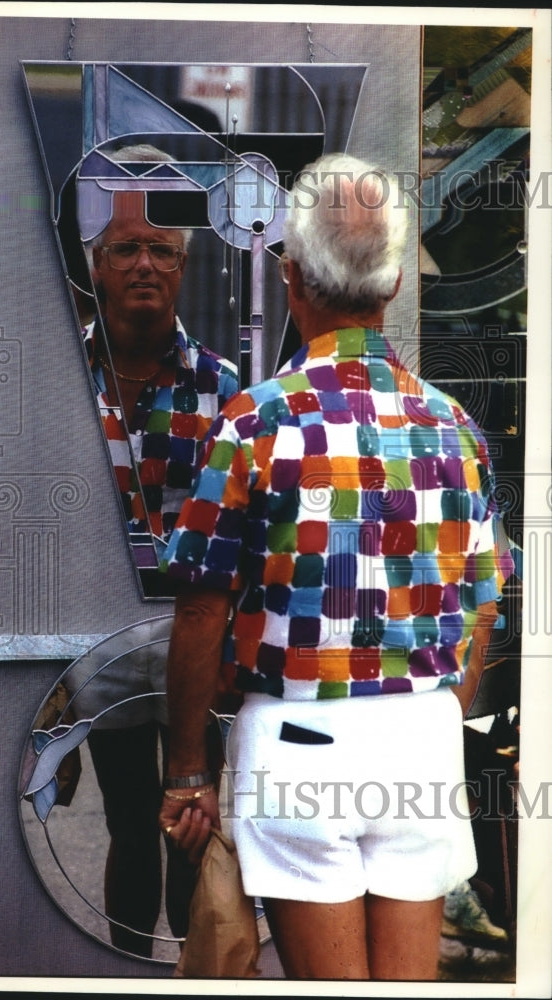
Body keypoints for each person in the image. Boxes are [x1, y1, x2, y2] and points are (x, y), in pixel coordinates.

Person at [157, 152, 511, 980]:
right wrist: (433, 714)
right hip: (421, 734)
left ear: (291, 275)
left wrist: (185, 771)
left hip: (298, 740)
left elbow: (203, 610)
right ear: (392, 286)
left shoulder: (254, 423)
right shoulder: (454, 426)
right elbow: (484, 602)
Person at [81, 145, 238, 956]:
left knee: (189, 823)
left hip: (195, 641)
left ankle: (188, 973)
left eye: (162, 251)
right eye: (126, 249)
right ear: (98, 265)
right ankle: (123, 967)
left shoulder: (226, 389)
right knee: (128, 825)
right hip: (96, 645)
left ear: (183, 267)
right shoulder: (65, 381)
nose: (145, 263)